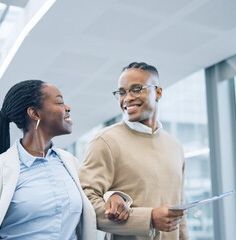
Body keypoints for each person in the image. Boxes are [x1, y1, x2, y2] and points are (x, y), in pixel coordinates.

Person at [0, 80, 119, 240]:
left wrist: (113, 196)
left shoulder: (70, 163)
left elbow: (92, 198)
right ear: (35, 114)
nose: (68, 108)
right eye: (60, 102)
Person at [79, 62, 189, 240]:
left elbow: (180, 214)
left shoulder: (175, 146)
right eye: (121, 92)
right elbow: (86, 204)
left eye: (136, 89)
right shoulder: (105, 141)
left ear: (158, 92)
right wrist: (149, 219)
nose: (127, 98)